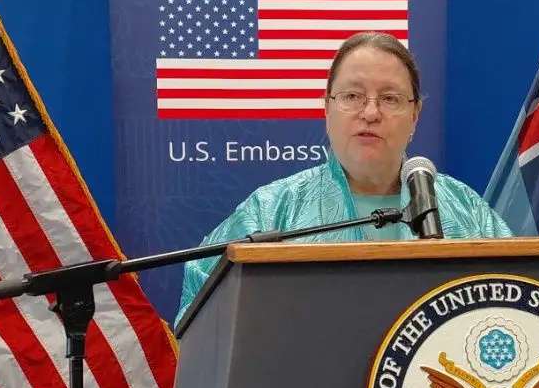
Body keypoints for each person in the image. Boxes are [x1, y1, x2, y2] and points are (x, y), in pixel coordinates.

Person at [176, 31, 515, 319]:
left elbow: (515, 304)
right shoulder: (270, 211)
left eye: (390, 98)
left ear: (415, 115)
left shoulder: (467, 212)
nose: (370, 112)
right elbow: (202, 310)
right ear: (326, 107)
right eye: (352, 96)